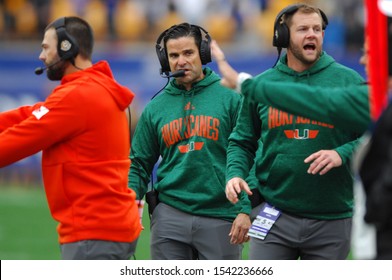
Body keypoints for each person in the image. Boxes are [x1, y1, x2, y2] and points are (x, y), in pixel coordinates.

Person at [215, 3, 366, 260]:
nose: (312, 35)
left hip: (332, 218)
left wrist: (341, 153)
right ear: (283, 37)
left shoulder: (348, 81)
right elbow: (242, 141)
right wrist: (235, 174)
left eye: (317, 29)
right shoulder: (262, 85)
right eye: (303, 29)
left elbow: (374, 136)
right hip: (273, 214)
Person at [0, 16, 142, 260]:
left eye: (46, 47)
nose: (41, 56)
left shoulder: (76, 95)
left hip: (93, 232)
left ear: (67, 47)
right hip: (108, 227)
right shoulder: (93, 87)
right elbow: (34, 113)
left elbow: (13, 144)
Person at [128, 22, 251, 260]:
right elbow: (139, 163)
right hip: (170, 216)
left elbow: (252, 156)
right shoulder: (156, 107)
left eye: (188, 53)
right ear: (166, 61)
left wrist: (245, 209)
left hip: (220, 215)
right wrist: (130, 200)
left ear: (203, 54)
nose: (181, 61)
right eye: (174, 55)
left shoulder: (231, 97)